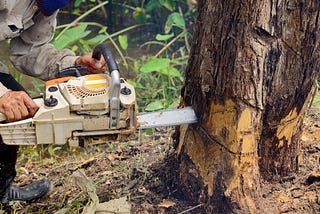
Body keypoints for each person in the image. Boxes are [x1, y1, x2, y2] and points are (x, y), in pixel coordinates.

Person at [0, 0, 105, 203]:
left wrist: (73, 65)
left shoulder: (46, 5)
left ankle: (0, 192)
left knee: (15, 115)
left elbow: (29, 51)